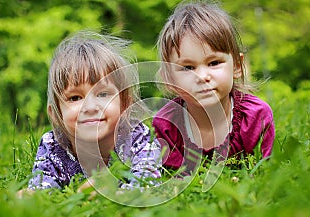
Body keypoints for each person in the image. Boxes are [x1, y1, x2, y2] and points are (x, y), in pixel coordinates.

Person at [19, 30, 161, 195]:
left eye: (102, 94)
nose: (90, 107)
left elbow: (147, 178)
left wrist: (119, 195)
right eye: (75, 98)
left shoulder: (137, 137)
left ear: (124, 103)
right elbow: (43, 187)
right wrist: (32, 195)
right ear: (55, 114)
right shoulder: (53, 145)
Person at [152, 1, 275, 172]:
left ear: (237, 67)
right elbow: (174, 182)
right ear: (169, 78)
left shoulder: (255, 118)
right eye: (188, 68)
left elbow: (266, 173)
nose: (202, 77)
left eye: (214, 63)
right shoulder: (166, 127)